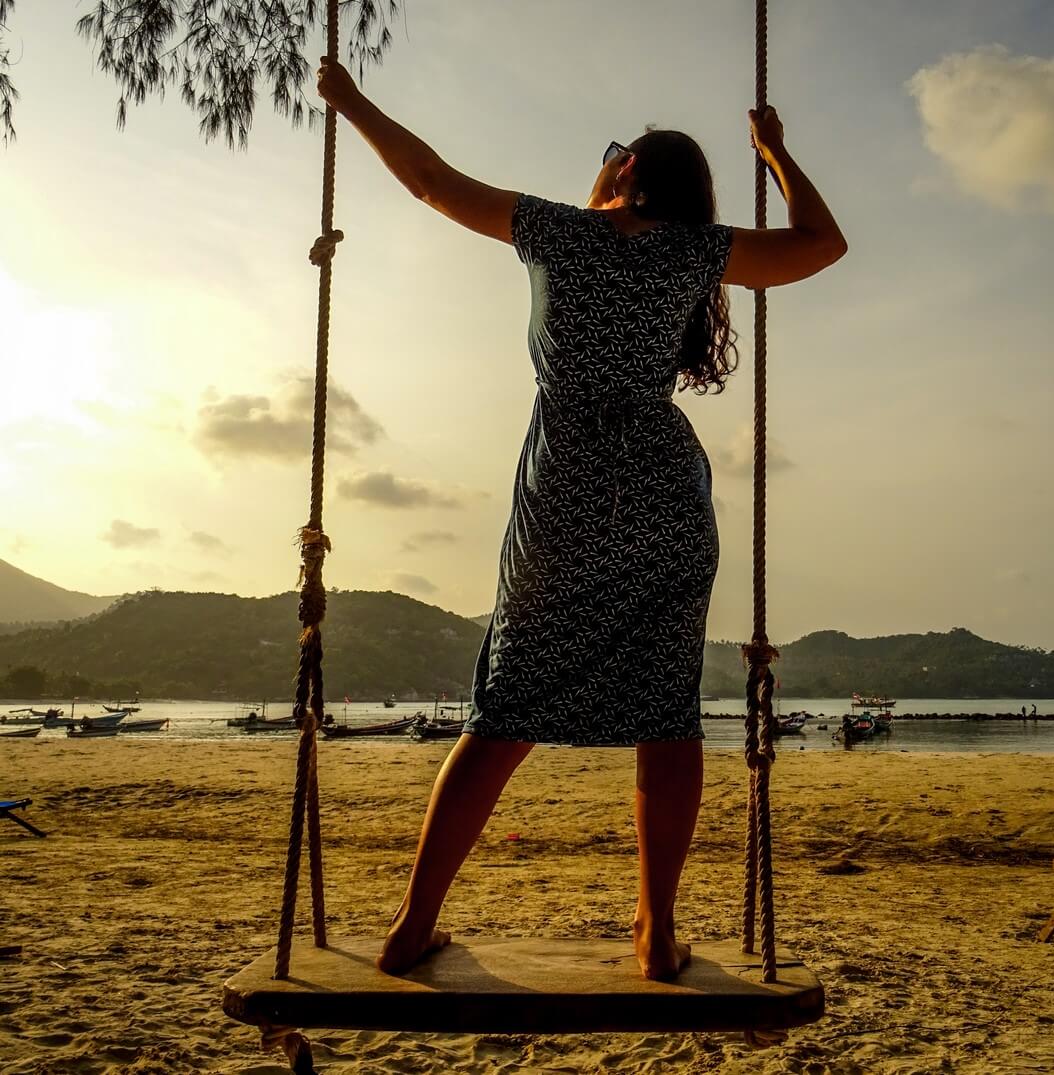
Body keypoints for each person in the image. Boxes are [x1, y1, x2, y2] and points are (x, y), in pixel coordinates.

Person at [316, 58, 846, 981]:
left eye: (614, 152)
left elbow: (432, 181)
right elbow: (819, 245)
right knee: (664, 713)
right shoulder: (698, 250)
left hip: (563, 490)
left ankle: (411, 926)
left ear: (624, 173)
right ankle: (654, 933)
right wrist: (777, 154)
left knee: (505, 707)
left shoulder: (553, 230)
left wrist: (351, 101)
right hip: (662, 496)